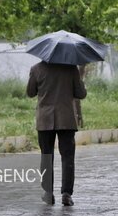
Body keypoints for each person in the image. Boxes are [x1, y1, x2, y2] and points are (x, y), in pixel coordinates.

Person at [26, 61, 87, 206]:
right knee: (68, 157)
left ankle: (48, 193)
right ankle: (66, 194)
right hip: (66, 119)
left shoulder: (36, 69)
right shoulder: (71, 68)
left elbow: (30, 92)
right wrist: (81, 82)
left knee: (46, 156)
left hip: (45, 119)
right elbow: (80, 93)